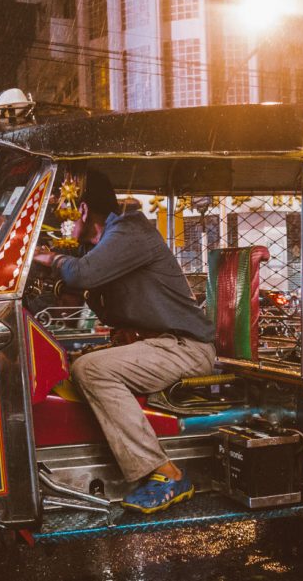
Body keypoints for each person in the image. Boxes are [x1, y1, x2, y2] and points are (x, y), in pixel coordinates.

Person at [33, 171, 215, 514]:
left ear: (83, 211)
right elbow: (74, 288)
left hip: (184, 347)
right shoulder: (95, 247)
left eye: (64, 215)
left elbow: (81, 274)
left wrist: (49, 259)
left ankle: (166, 473)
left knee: (91, 370)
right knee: (64, 366)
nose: (62, 225)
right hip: (153, 347)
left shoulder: (131, 231)